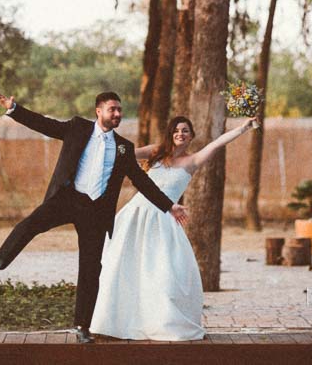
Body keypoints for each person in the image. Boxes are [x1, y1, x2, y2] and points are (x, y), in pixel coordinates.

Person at [0, 91, 190, 344]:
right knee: (30, 225)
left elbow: (142, 182)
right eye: (112, 109)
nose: (117, 114)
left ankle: (82, 326)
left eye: (119, 110)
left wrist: (169, 206)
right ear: (99, 111)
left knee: (90, 269)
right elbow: (45, 124)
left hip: (97, 212)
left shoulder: (124, 147)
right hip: (68, 198)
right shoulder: (77, 128)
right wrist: (14, 109)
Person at [90, 115, 259, 341]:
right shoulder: (156, 152)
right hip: (136, 214)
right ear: (171, 134)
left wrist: (243, 128)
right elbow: (122, 153)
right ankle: (113, 322)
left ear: (191, 136)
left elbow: (218, 143)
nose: (180, 134)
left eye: (185, 131)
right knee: (124, 266)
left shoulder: (193, 161)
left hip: (163, 220)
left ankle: (161, 322)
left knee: (164, 272)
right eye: (176, 130)